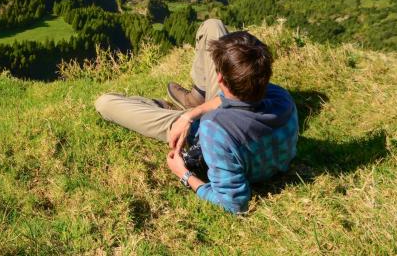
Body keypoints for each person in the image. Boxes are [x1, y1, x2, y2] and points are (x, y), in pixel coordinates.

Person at [94, 19, 298, 214]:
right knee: (213, 25)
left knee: (105, 103)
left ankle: (165, 110)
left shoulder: (214, 130)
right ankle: (195, 99)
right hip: (220, 120)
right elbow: (231, 99)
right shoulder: (282, 98)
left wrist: (184, 174)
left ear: (219, 79)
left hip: (206, 134)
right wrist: (190, 115)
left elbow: (233, 204)